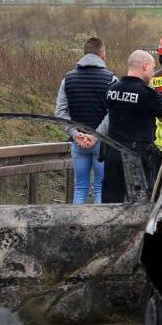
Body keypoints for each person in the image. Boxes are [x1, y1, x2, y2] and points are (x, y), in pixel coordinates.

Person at [94, 50, 162, 203]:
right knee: (140, 202)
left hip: (113, 153)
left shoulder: (112, 89)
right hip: (138, 155)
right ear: (144, 66)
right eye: (152, 68)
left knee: (111, 200)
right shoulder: (148, 93)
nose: (153, 73)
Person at [54, 37, 115, 204]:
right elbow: (113, 113)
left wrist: (75, 134)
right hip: (102, 144)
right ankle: (99, 221)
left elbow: (60, 113)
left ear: (84, 54)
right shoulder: (111, 80)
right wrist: (95, 136)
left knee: (80, 187)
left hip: (78, 143)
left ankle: (77, 221)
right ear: (103, 54)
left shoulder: (67, 80)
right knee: (100, 187)